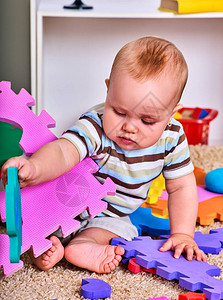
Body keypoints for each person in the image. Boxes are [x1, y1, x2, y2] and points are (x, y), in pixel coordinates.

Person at [1, 36, 207, 274]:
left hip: (111, 215)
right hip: (67, 203)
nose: (129, 127)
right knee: (38, 222)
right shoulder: (95, 125)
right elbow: (64, 151)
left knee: (121, 229)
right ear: (108, 90)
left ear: (171, 114)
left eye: (147, 120)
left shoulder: (172, 137)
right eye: (119, 112)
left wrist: (182, 234)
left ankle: (82, 245)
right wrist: (35, 167)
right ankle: (45, 248)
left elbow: (181, 186)